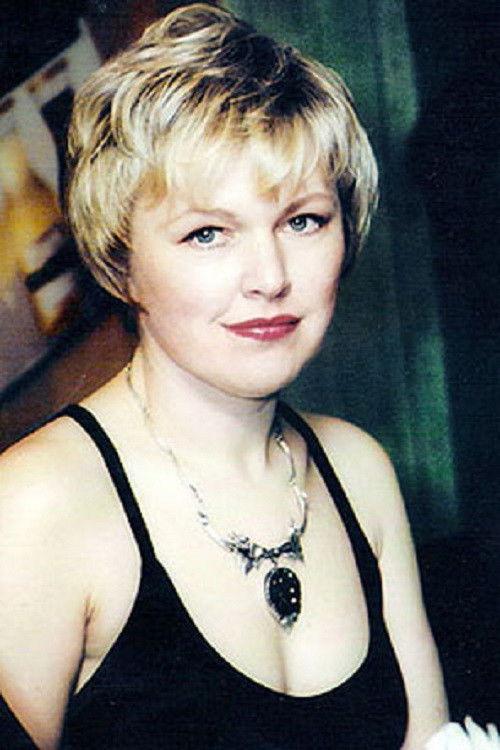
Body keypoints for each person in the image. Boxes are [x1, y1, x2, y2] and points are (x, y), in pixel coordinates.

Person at [0, 4, 448, 748]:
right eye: (207, 233)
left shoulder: (358, 472)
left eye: (303, 221)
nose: (270, 277)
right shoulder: (35, 505)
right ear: (120, 262)